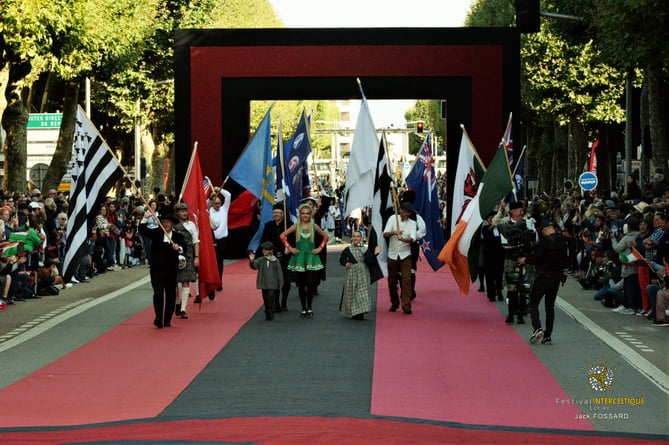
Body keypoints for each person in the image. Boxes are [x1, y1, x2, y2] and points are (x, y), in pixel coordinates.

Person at [520, 220, 568, 345]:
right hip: (556, 277)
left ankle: (537, 328)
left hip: (543, 276)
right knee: (549, 306)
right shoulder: (562, 241)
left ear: (544, 230)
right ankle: (548, 336)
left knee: (534, 303)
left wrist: (526, 260)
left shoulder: (543, 242)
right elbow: (566, 260)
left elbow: (536, 258)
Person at [139, 207, 186, 329]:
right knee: (158, 293)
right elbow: (142, 230)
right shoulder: (156, 234)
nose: (166, 224)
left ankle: (167, 319)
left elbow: (184, 248)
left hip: (171, 270)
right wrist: (145, 217)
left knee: (170, 294)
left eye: (168, 222)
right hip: (157, 269)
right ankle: (158, 317)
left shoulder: (178, 236)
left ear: (172, 224)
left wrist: (178, 248)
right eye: (164, 222)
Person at [280, 203, 328, 318]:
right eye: (303, 213)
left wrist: (319, 248)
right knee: (301, 284)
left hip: (311, 257)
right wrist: (291, 248)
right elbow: (282, 236)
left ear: (310, 214)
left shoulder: (314, 226)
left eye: (307, 213)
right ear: (300, 215)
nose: (305, 215)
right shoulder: (296, 226)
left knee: (310, 284)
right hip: (299, 258)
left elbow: (325, 236)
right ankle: (303, 308)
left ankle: (310, 307)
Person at [493, 201, 537, 324]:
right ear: (512, 211)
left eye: (522, 210)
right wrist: (501, 210)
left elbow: (534, 239)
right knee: (512, 288)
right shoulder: (504, 224)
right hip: (511, 259)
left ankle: (521, 315)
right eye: (519, 210)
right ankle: (511, 314)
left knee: (523, 288)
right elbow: (494, 223)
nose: (521, 212)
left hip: (524, 259)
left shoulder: (528, 223)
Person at [383, 202, 417, 315]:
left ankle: (406, 305)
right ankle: (394, 302)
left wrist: (402, 239)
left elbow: (413, 238)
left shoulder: (412, 223)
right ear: (401, 210)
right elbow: (385, 234)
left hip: (405, 255)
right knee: (392, 282)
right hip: (392, 255)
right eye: (405, 212)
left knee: (406, 280)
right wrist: (394, 232)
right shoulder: (393, 218)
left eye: (409, 213)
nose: (406, 214)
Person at [339, 230, 381, 320]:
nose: (355, 238)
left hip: (362, 272)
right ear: (351, 238)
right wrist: (345, 263)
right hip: (351, 272)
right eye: (354, 236)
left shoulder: (365, 250)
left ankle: (361, 311)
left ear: (361, 238)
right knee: (352, 291)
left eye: (358, 236)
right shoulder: (348, 249)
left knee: (362, 291)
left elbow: (371, 261)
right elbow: (342, 258)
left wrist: (375, 254)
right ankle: (353, 311)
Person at [259, 203, 292, 311]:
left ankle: (284, 302)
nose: (276, 215)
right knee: (274, 282)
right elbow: (264, 240)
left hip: (285, 257)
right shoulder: (269, 225)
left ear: (283, 214)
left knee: (286, 281)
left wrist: (289, 247)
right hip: (272, 257)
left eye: (278, 213)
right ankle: (276, 303)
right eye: (274, 213)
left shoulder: (289, 224)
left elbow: (294, 241)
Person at [173, 202, 199, 320]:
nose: (184, 213)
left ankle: (183, 309)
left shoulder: (192, 225)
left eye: (185, 211)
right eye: (181, 211)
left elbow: (196, 241)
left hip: (188, 255)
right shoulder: (173, 226)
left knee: (185, 281)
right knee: (174, 282)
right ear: (177, 213)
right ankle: (177, 302)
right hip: (174, 255)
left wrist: (196, 257)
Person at [248, 241, 284, 321]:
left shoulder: (276, 261)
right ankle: (267, 310)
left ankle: (270, 311)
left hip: (273, 283)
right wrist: (251, 261)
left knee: (271, 297)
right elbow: (254, 266)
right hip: (264, 282)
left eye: (266, 250)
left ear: (271, 250)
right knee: (265, 298)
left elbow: (279, 272)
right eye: (263, 250)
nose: (264, 251)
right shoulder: (261, 260)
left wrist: (281, 282)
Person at [208, 188, 231, 300]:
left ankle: (219, 281)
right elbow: (205, 203)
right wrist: (211, 195)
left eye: (219, 203)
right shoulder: (209, 210)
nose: (217, 205)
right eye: (215, 203)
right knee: (212, 262)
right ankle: (212, 283)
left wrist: (219, 189)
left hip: (222, 239)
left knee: (220, 261)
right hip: (211, 239)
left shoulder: (224, 209)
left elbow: (228, 195)